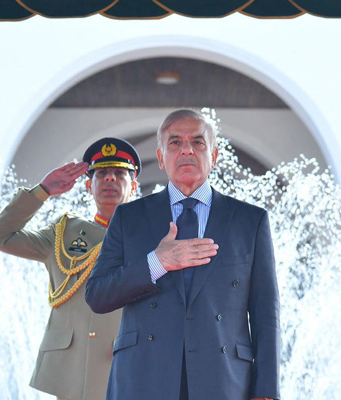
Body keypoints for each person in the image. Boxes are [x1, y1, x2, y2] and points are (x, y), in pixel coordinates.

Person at [85, 110, 280, 400]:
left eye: (198, 142)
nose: (187, 149)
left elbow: (266, 314)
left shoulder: (249, 220)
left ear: (214, 156)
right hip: (143, 377)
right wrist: (157, 262)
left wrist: (266, 392)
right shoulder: (129, 217)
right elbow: (97, 296)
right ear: (161, 157)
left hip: (224, 380)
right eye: (175, 142)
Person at [0, 137, 142, 400]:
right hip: (72, 368)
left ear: (134, 186)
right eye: (102, 173)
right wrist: (42, 190)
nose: (110, 179)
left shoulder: (152, 236)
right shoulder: (64, 232)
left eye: (119, 173)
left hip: (127, 365)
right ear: (89, 186)